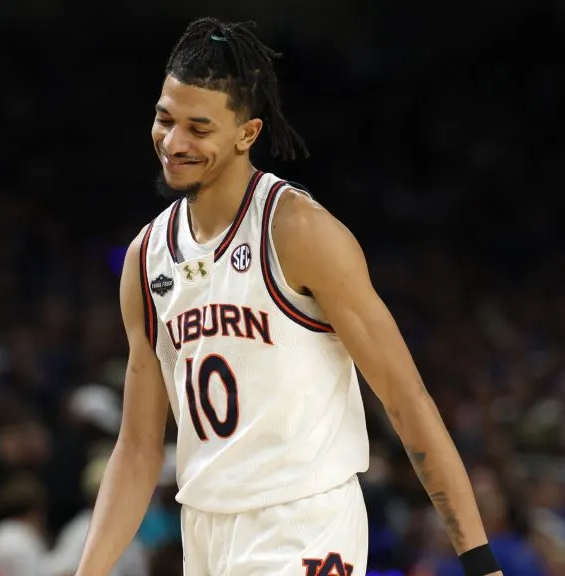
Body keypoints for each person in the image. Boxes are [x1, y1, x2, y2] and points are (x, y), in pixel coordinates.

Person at [75, 17, 503, 576]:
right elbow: (136, 449)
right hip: (203, 532)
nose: (174, 143)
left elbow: (407, 399)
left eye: (198, 129)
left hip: (301, 523)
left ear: (246, 134)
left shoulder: (298, 232)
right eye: (165, 119)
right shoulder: (146, 257)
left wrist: (479, 559)